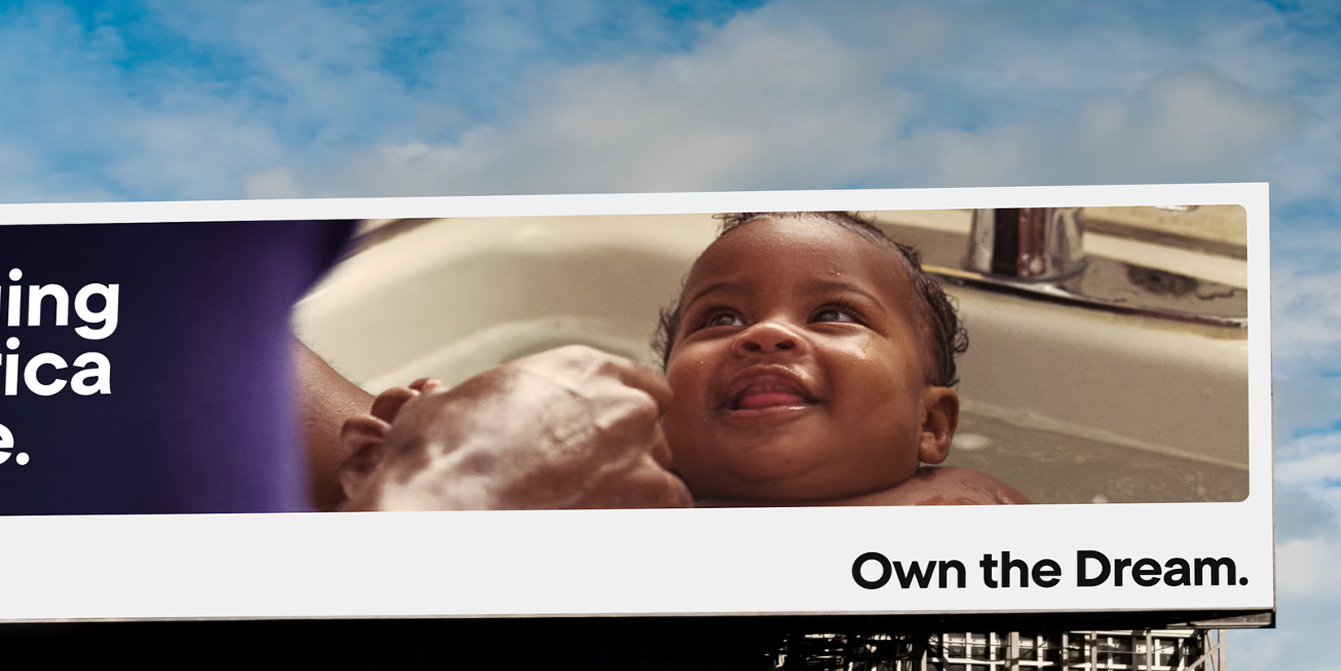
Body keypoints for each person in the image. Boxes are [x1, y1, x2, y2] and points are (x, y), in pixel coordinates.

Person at [328, 211, 1024, 509]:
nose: (766, 335)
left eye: (832, 314)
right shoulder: (608, 496)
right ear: (654, 410)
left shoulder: (965, 507)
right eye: (720, 318)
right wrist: (422, 441)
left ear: (931, 425)